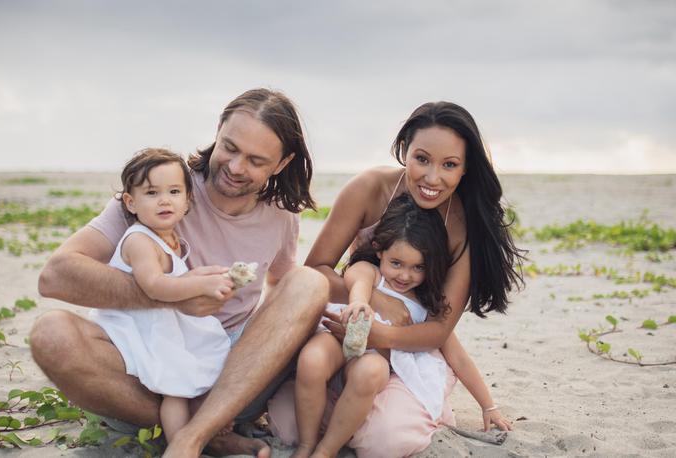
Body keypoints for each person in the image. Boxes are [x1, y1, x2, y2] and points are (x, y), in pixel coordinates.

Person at [31, 88, 329, 458]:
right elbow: (55, 276)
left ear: (282, 163)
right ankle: (208, 433)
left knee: (310, 282)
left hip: (228, 380)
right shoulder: (162, 187)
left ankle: (190, 436)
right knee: (52, 334)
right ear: (218, 130)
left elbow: (282, 289)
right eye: (230, 148)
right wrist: (172, 294)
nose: (236, 168)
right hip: (144, 375)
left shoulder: (282, 215)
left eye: (255, 160)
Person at [269, 101, 524, 457]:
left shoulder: (465, 227)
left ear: (465, 169)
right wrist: (375, 298)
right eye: (422, 159)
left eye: (449, 165)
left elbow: (438, 331)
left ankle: (384, 416)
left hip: (410, 348)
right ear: (405, 151)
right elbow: (315, 274)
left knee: (385, 440)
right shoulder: (371, 188)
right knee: (288, 421)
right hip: (349, 329)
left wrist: (380, 336)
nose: (433, 178)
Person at [288, 193, 511, 458]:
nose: (405, 275)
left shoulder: (425, 305)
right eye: (396, 263)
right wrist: (360, 303)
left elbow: (458, 358)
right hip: (340, 336)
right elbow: (355, 281)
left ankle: (325, 450)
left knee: (370, 371)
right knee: (312, 360)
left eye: (418, 267)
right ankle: (306, 444)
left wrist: (488, 406)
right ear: (379, 250)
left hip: (375, 356)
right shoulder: (371, 273)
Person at [89, 148, 236, 443]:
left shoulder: (168, 238)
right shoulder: (140, 240)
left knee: (210, 359)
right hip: (140, 328)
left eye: (173, 191)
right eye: (152, 193)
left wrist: (205, 277)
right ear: (131, 203)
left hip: (162, 322)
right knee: (175, 389)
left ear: (187, 200)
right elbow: (153, 286)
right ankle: (181, 441)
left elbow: (176, 280)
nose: (164, 200)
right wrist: (200, 286)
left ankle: (208, 418)